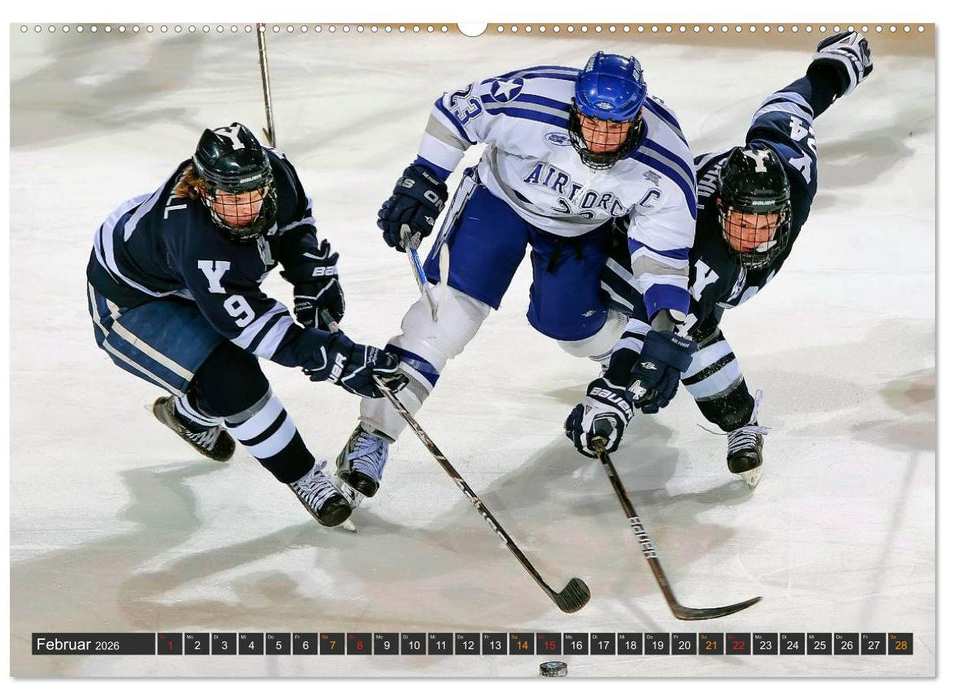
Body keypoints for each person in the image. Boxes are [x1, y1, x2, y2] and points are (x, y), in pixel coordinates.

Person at [334, 53, 699, 506]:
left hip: (580, 231)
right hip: (498, 201)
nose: (601, 139)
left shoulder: (666, 162)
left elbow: (663, 257)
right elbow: (455, 111)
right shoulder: (534, 96)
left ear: (638, 116)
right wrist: (424, 176)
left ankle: (619, 357)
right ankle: (375, 432)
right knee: (446, 316)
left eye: (616, 127)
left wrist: (660, 331)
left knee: (571, 327)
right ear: (574, 107)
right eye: (590, 122)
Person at [565, 32, 874, 490]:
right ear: (721, 210)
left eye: (765, 225)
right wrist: (616, 395)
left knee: (687, 327)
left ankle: (735, 420)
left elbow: (788, 108)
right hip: (623, 253)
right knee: (668, 329)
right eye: (741, 224)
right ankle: (737, 420)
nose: (752, 239)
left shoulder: (793, 171)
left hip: (692, 278)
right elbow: (665, 323)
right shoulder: (698, 236)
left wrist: (836, 67)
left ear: (786, 211)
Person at [86, 122, 403, 527]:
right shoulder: (195, 235)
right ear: (202, 188)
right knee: (233, 381)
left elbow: (294, 226)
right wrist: (335, 358)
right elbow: (255, 328)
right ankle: (305, 476)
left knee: (222, 385)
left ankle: (190, 415)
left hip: (180, 275)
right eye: (230, 198)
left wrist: (310, 277)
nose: (245, 210)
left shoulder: (279, 172)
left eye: (254, 194)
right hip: (132, 302)